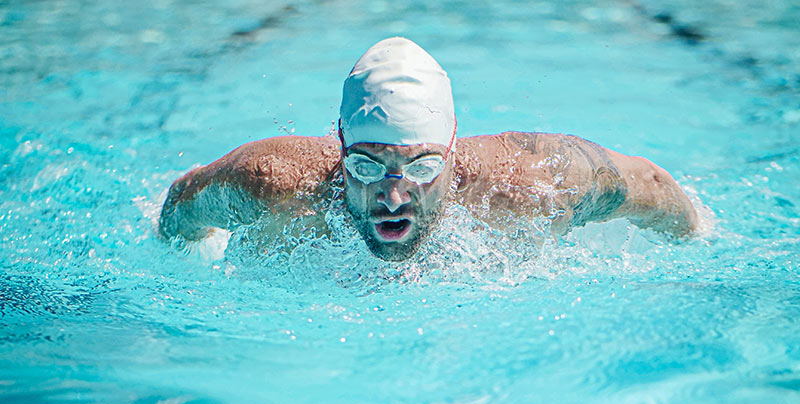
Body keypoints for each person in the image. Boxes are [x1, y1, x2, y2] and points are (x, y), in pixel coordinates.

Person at [159, 37, 697, 261]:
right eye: (366, 165)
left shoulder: (532, 183)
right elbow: (180, 206)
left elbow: (650, 186)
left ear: (454, 148)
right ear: (339, 141)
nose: (394, 197)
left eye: (423, 166)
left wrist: (702, 242)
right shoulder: (271, 184)